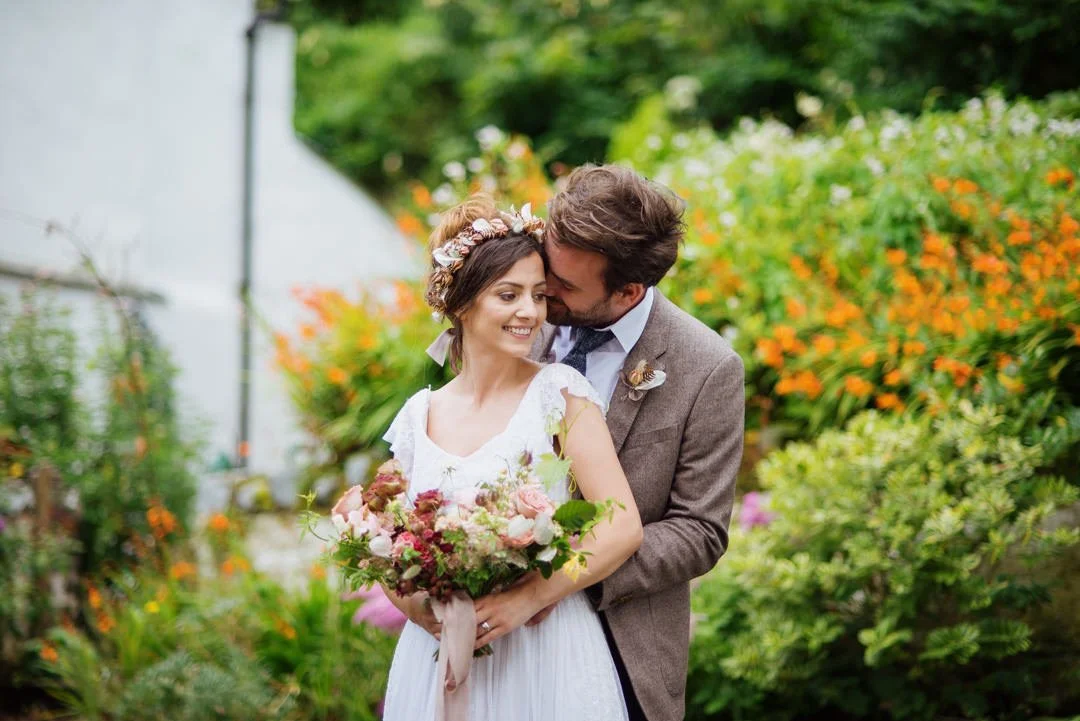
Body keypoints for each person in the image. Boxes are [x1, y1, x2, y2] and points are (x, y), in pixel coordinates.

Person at [380, 196, 644, 721]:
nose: (530, 311)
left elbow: (621, 527)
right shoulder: (418, 416)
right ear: (461, 303)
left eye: (538, 295)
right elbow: (383, 542)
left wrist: (528, 597)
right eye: (509, 294)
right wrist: (420, 608)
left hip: (543, 653)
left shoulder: (560, 394)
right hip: (438, 652)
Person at [529, 164, 745, 721]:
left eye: (565, 286)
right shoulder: (514, 315)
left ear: (628, 290)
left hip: (621, 641)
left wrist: (562, 573)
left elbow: (699, 530)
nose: (544, 290)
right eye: (548, 267)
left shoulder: (708, 367)